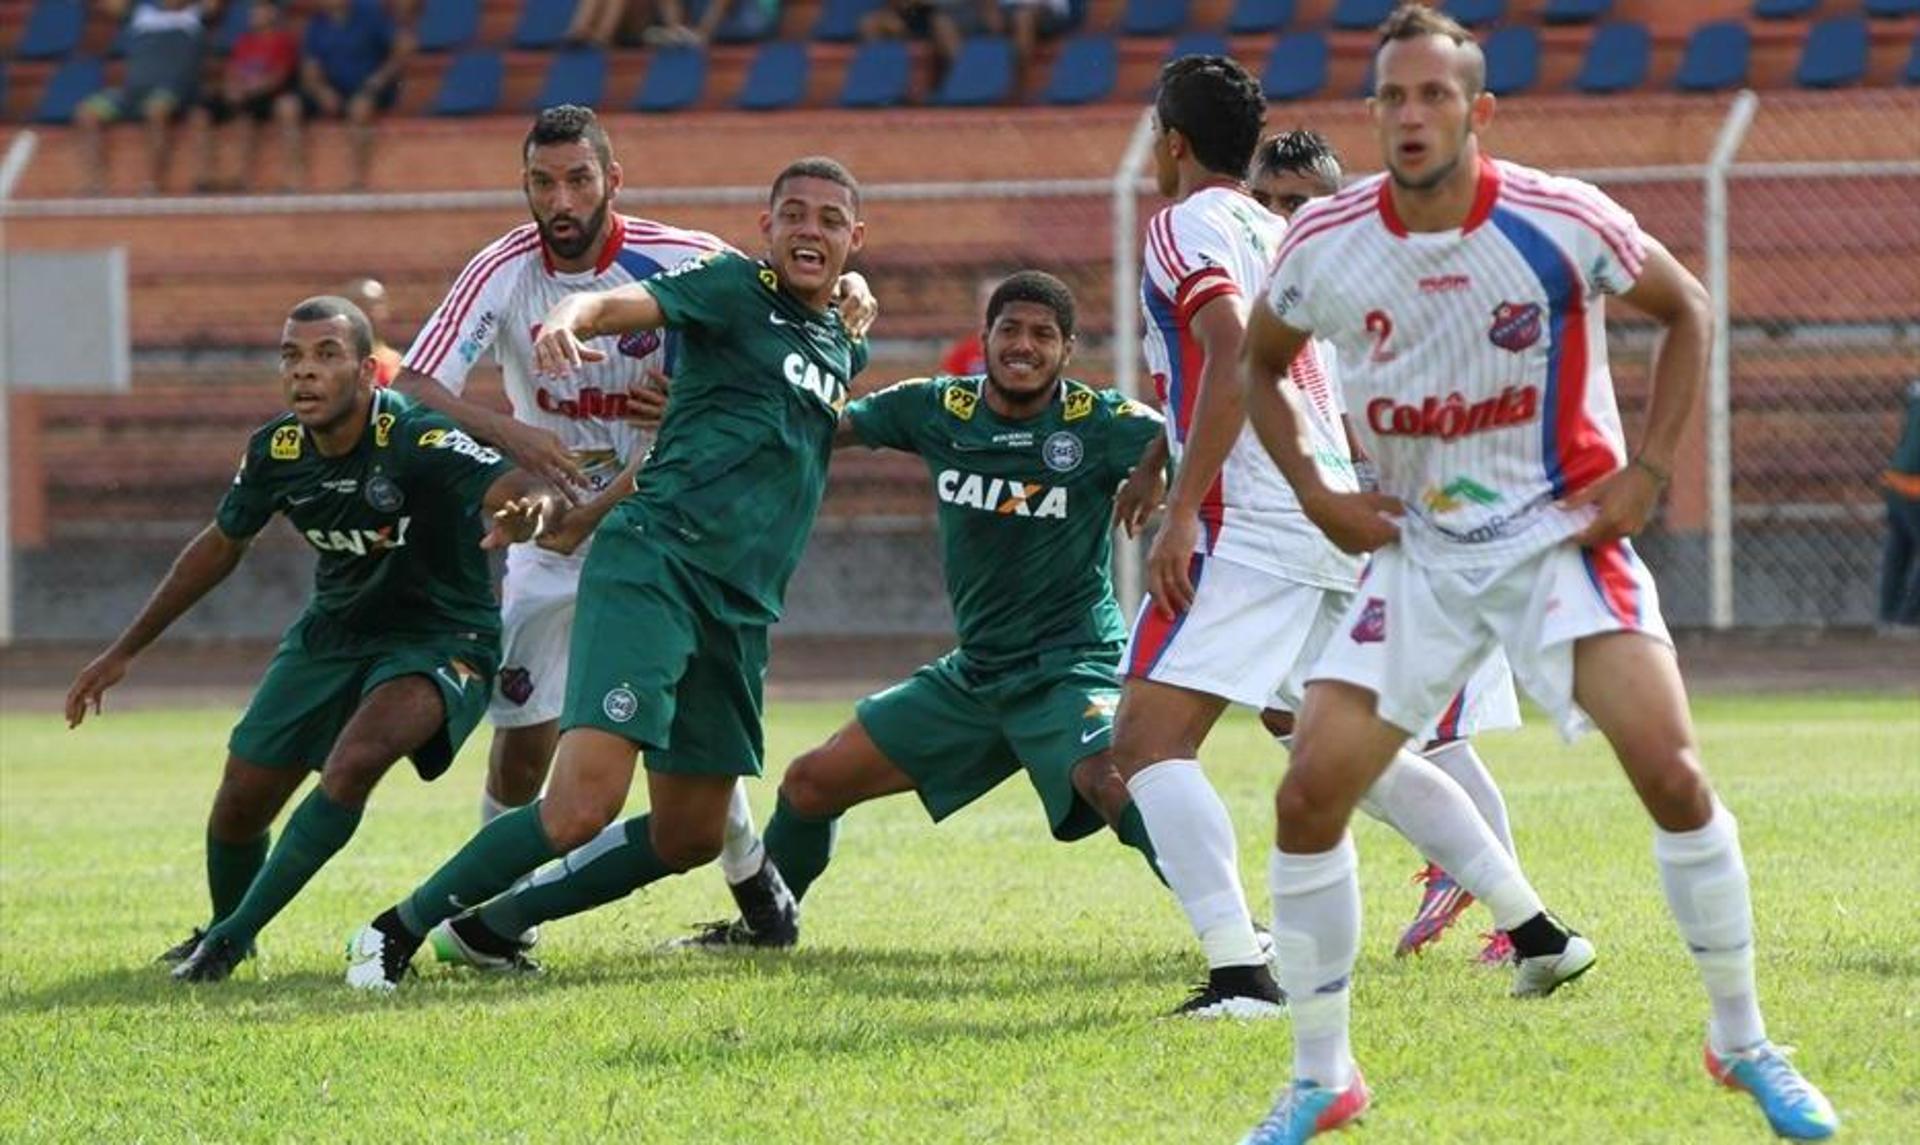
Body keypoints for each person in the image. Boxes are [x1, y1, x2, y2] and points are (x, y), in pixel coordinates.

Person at [1234, 7, 1836, 1141]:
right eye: (1392, 98)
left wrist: (1649, 468)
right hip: (1418, 553)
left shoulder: (1558, 218)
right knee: (1310, 789)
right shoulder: (1324, 241)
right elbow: (1262, 365)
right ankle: (1323, 1076)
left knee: (1671, 771)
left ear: (1479, 110)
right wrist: (1320, 493)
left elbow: (1687, 309)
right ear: (1373, 115)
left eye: (1434, 95)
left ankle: (1744, 1040)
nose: (1411, 116)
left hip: (1560, 541)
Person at [428, 271, 1169, 962]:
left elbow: (1187, 425)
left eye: (1043, 335)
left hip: (1068, 665)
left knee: (1110, 776)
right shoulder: (940, 407)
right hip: (976, 675)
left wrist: (1155, 465)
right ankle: (761, 928)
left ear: (1069, 351)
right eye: (1010, 330)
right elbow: (810, 421)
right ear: (987, 338)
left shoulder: (1099, 423)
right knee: (811, 783)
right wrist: (706, 411)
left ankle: (1234, 929)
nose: (1023, 346)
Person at [1112, 55, 1587, 1023]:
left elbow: (1231, 355)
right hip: (1322, 515)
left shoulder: (1186, 222)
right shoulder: (1280, 236)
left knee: (1147, 743)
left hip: (1252, 518)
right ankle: (1538, 929)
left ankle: (1243, 977)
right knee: (1336, 746)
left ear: (1171, 140)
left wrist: (1182, 501)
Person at [343, 156, 871, 991]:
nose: (811, 229)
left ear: (854, 239)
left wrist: (853, 296)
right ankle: (390, 931)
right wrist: (572, 320)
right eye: (793, 215)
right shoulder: (730, 286)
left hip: (738, 606)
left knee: (690, 832)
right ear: (764, 228)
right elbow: (617, 302)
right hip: (657, 562)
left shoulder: (843, 337)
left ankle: (491, 928)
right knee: (579, 802)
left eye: (830, 220)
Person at [60, 295, 616, 984]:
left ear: (365, 372)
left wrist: (530, 511)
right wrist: (123, 650)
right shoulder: (277, 450)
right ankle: (230, 932)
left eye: (327, 355)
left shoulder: (417, 437)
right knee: (240, 800)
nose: (304, 372)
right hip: (333, 633)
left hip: (441, 639)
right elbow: (220, 546)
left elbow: (521, 487)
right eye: (292, 356)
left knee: (354, 761)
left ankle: (228, 940)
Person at [1250, 127, 1528, 965]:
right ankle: (1462, 866)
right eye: (1267, 201)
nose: (1280, 217)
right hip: (1342, 534)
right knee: (1289, 713)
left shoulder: (1368, 287)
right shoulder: (1275, 296)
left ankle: (1513, 913)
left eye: (1298, 202)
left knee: (1430, 733)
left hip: (1425, 530)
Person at [74, 0, 216, 195]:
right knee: (87, 113)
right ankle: (95, 184)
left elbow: (215, 5)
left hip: (173, 90)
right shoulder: (140, 12)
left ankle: (152, 183)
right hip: (132, 93)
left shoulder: (194, 15)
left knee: (156, 110)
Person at [279, 0, 412, 191]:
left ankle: (357, 181)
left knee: (360, 108)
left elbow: (403, 47)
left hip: (369, 85)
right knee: (287, 106)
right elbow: (310, 69)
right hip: (332, 88)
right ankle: (295, 180)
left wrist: (380, 78)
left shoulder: (371, 14)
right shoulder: (316, 25)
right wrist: (321, 90)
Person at [188, 0, 298, 192]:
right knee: (200, 114)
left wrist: (250, 89)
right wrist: (232, 88)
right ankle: (204, 177)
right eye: (254, 12)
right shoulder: (244, 40)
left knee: (245, 117)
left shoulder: (283, 40)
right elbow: (232, 71)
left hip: (265, 95)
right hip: (240, 92)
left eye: (260, 12)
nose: (255, 16)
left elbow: (279, 76)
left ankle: (243, 178)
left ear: (272, 14)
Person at [1877, 377, 1920, 636]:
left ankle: (1888, 616)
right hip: (1914, 487)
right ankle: (1908, 619)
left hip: (1895, 481)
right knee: (1900, 549)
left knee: (1900, 549)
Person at [340, 276, 402, 385]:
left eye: (377, 304)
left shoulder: (395, 364)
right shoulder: (330, 361)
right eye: (362, 305)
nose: (371, 312)